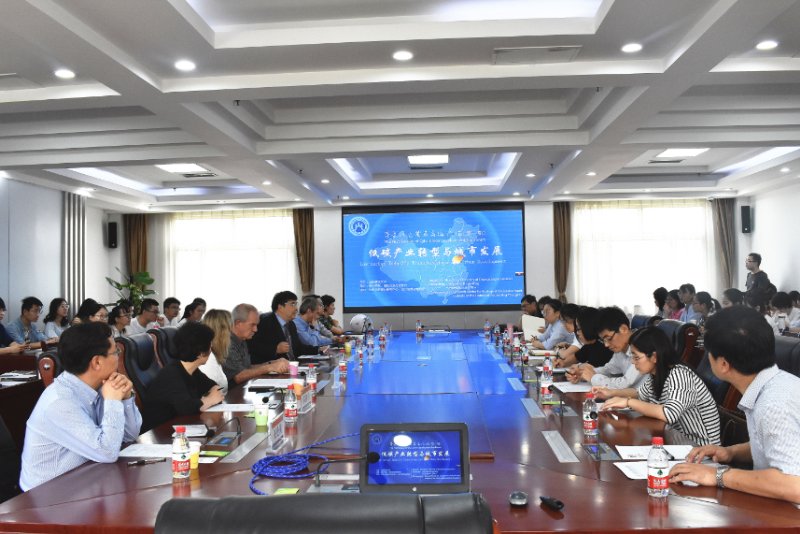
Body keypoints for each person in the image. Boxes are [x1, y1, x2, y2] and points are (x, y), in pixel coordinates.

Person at [669, 306, 800, 504]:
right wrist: (730, 452)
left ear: (723, 364)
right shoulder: (777, 384)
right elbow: (776, 445)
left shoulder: (773, 404)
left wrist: (717, 475)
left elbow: (793, 485)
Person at [19, 322, 141, 491]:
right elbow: (107, 452)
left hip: (87, 479)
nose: (118, 357)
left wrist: (126, 398)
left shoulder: (99, 385)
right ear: (96, 362)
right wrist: (113, 402)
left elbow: (129, 436)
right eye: (116, 352)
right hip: (48, 496)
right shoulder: (60, 402)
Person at [595, 326, 720, 445]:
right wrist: (611, 393)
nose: (633, 362)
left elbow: (669, 413)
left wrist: (628, 402)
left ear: (654, 356)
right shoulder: (656, 374)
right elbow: (638, 393)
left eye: (636, 357)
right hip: (675, 441)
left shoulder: (680, 374)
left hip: (700, 447)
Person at [140, 322, 225, 431]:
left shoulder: (191, 370)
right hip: (160, 432)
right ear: (200, 353)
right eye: (210, 346)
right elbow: (186, 408)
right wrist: (208, 400)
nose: (211, 349)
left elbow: (214, 387)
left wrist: (207, 400)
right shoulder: (171, 374)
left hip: (179, 427)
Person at [566, 306, 645, 389]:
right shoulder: (620, 350)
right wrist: (582, 374)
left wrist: (593, 378)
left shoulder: (642, 345)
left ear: (624, 329)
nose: (606, 345)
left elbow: (626, 383)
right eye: (603, 340)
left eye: (609, 338)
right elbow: (608, 370)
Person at [222, 303, 290, 386]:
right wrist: (269, 368)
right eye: (252, 325)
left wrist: (272, 363)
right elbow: (238, 376)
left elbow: (248, 368)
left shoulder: (242, 339)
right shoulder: (227, 342)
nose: (256, 329)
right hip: (231, 392)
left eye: (256, 325)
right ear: (238, 323)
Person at [247, 291, 316, 364]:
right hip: (272, 368)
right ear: (280, 307)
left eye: (296, 304)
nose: (296, 308)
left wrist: (319, 349)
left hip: (293, 366)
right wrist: (275, 349)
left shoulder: (291, 324)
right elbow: (252, 346)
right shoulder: (264, 322)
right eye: (292, 304)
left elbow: (298, 347)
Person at [199, 309, 232, 392]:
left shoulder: (213, 356)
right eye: (229, 330)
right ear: (222, 333)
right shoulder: (207, 361)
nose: (231, 335)